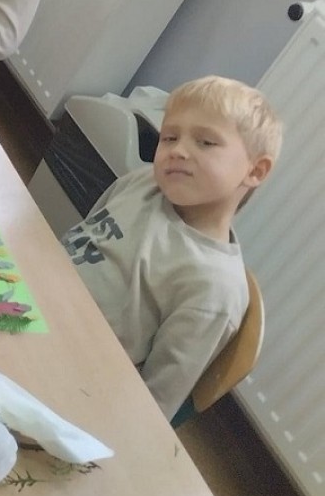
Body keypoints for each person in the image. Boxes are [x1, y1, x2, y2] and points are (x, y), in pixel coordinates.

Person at [61, 77, 282, 420]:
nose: (177, 150)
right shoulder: (143, 182)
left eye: (205, 142)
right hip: (33, 297)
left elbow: (152, 404)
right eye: (170, 137)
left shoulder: (215, 288)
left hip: (71, 370)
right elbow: (81, 234)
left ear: (255, 170)